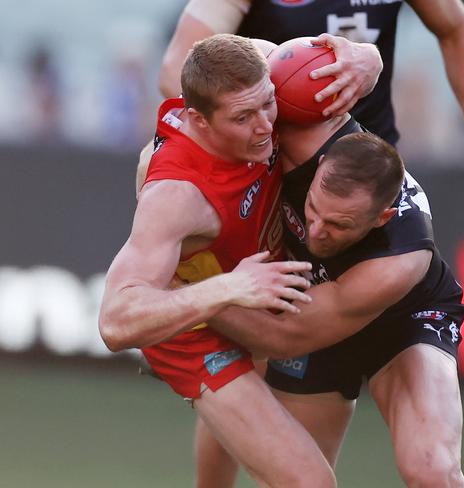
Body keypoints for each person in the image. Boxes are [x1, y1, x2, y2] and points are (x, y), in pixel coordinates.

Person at [99, 34, 341, 487]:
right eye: (243, 118)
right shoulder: (176, 194)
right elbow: (114, 321)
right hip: (197, 332)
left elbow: (300, 58)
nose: (266, 126)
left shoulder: (254, 75)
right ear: (198, 120)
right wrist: (229, 287)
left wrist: (367, 59)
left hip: (251, 288)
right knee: (312, 482)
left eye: (268, 103)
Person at [209, 123, 464, 486]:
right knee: (304, 482)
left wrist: (189, 296)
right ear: (318, 166)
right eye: (313, 208)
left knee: (431, 469)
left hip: (401, 321)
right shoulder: (300, 140)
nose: (316, 230)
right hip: (311, 302)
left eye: (339, 224)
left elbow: (280, 336)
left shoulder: (399, 262)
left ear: (382, 217)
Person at [159, 0, 464, 225]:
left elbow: (457, 31)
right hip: (269, 172)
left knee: (381, 313)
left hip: (367, 171)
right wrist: (279, 63)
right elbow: (179, 68)